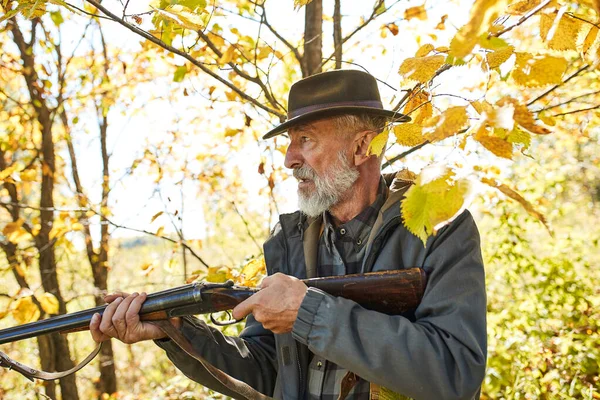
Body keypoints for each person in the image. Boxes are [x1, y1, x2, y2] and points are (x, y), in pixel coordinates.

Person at [89, 70, 487, 400]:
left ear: (362, 145)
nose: (288, 159)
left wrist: (309, 312)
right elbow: (265, 368)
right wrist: (174, 331)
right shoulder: (289, 239)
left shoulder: (440, 226)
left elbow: (455, 372)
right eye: (290, 143)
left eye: (305, 140)